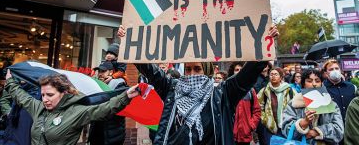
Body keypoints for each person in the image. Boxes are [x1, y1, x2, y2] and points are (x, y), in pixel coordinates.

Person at [117, 25, 279, 145]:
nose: (192, 74)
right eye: (188, 69)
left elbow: (246, 75)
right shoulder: (173, 88)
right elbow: (150, 70)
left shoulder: (222, 94)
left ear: (207, 71)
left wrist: (265, 46)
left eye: (197, 69)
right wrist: (129, 43)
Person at [4, 70, 139, 145]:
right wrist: (10, 80)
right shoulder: (38, 107)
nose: (45, 99)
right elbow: (21, 96)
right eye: (43, 95)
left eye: (50, 95)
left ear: (63, 93)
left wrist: (125, 96)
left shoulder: (76, 112)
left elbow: (105, 108)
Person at [282, 69, 344, 144]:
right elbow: (286, 130)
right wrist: (303, 123)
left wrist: (316, 132)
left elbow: (339, 131)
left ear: (321, 83)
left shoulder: (331, 104)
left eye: (317, 81)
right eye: (309, 81)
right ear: (303, 84)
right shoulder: (293, 104)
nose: (314, 84)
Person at [88, 61, 128, 145]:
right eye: (99, 71)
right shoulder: (96, 84)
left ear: (111, 72)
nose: (100, 74)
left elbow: (121, 107)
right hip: (96, 132)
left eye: (103, 71)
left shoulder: (119, 84)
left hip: (112, 133)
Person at [257, 67, 296, 145]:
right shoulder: (264, 91)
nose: (273, 76)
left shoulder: (290, 90)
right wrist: (265, 119)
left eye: (276, 74)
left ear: (281, 77)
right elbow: (258, 106)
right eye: (271, 74)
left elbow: (296, 106)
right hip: (270, 127)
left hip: (286, 126)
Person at [229, 62, 261, 145]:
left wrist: (251, 125)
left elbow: (257, 110)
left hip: (245, 135)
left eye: (241, 70)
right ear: (232, 72)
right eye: (236, 70)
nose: (239, 72)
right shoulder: (226, 90)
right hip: (229, 134)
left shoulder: (250, 90)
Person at [323, 60, 355, 127]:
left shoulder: (351, 87)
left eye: (337, 68)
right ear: (326, 73)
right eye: (331, 69)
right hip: (334, 129)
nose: (335, 71)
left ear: (340, 70)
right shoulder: (323, 89)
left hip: (351, 126)